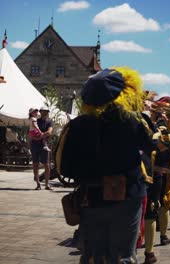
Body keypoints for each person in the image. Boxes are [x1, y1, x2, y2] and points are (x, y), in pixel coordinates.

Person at [55, 67, 155, 263]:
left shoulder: (76, 126)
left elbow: (64, 167)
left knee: (93, 256)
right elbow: (152, 145)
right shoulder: (134, 120)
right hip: (128, 195)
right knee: (123, 256)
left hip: (90, 198)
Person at [31, 106, 54, 190]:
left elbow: (49, 132)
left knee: (46, 165)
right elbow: (31, 132)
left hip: (44, 145)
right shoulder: (35, 120)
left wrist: (39, 137)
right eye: (43, 111)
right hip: (35, 145)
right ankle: (38, 184)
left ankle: (47, 184)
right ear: (40, 112)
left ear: (48, 112)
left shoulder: (50, 122)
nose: (45, 113)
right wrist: (39, 137)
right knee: (35, 164)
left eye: (46, 111)